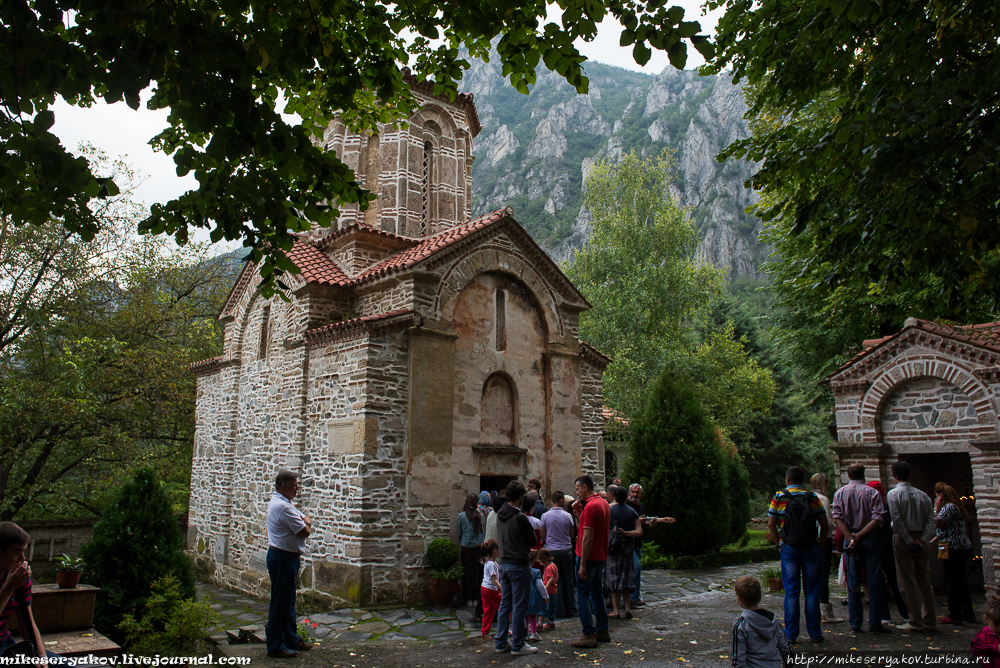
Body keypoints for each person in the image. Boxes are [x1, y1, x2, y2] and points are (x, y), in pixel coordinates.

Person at [768, 465, 827, 643]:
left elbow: (771, 524)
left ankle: (791, 634)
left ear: (787, 480)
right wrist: (820, 545)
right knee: (811, 592)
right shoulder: (812, 497)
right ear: (803, 480)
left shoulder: (779, 497)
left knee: (792, 592)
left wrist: (779, 544)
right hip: (811, 548)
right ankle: (815, 633)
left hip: (789, 549)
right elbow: (824, 524)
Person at [831, 463, 890, 634]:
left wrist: (851, 537)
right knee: (874, 580)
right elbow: (878, 518)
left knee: (853, 582)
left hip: (851, 541)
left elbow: (837, 517)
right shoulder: (872, 493)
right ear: (863, 474)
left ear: (848, 475)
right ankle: (875, 623)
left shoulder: (840, 493)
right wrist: (861, 535)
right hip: (870, 537)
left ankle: (855, 623)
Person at [265, 471, 314, 658]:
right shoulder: (283, 507)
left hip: (286, 557)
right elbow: (304, 531)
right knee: (280, 603)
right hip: (283, 558)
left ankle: (291, 639)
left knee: (288, 601)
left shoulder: (285, 503)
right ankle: (276, 646)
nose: (298, 488)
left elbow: (302, 519)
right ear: (283, 487)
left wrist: (305, 520)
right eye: (294, 485)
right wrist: (306, 522)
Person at [886, 460, 937, 632]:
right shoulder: (923, 495)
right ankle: (930, 620)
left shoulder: (893, 495)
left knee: (907, 581)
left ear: (893, 475)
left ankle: (915, 620)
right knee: (925, 581)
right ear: (910, 474)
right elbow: (931, 519)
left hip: (904, 538)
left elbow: (897, 520)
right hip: (922, 537)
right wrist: (923, 538)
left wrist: (909, 540)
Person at [0, 522, 62, 661]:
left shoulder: (19, 579)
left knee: (63, 665)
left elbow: (27, 622)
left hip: (5, 643)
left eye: (23, 551)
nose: (22, 558)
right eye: (16, 552)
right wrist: (9, 587)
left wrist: (41, 656)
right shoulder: (13, 582)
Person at [494, 481, 540, 656]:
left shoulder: (499, 515)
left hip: (504, 564)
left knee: (505, 604)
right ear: (520, 497)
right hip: (519, 564)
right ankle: (518, 643)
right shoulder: (519, 517)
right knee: (520, 605)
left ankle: (500, 641)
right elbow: (532, 541)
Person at [570, 474, 611, 648]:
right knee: (597, 593)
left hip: (588, 557)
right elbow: (590, 528)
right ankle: (602, 630)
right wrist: (580, 514)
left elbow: (587, 539)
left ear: (585, 487)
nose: (577, 493)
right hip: (600, 555)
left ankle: (588, 633)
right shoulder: (603, 503)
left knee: (583, 595)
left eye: (578, 489)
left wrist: (582, 564)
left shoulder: (591, 507)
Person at [867, 480, 909, 626]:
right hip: (890, 549)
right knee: (896, 583)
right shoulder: (888, 508)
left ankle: (884, 615)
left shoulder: (872, 510)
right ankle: (906, 613)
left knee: (878, 583)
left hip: (876, 550)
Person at [627, 483, 675, 608]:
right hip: (628, 543)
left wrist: (654, 522)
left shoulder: (641, 506)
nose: (634, 495)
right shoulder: (626, 506)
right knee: (636, 567)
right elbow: (628, 523)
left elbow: (645, 522)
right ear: (628, 493)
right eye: (632, 492)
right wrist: (640, 522)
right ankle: (633, 597)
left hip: (637, 543)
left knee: (636, 568)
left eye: (637, 492)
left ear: (641, 494)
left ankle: (633, 596)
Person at [933, 482, 975, 624]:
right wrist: (936, 538)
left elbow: (936, 522)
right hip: (960, 545)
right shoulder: (957, 507)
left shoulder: (948, 508)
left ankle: (954, 613)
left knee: (951, 580)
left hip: (952, 547)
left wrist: (936, 508)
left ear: (941, 496)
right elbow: (952, 527)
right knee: (960, 579)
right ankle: (967, 612)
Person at [731, 575, 792, 668]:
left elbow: (738, 658)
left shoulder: (741, 625)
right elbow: (785, 647)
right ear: (759, 596)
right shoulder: (773, 620)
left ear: (740, 600)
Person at [810, 473, 844, 624]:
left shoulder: (807, 497)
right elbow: (827, 523)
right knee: (823, 575)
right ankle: (825, 611)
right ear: (823, 483)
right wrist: (839, 525)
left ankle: (813, 608)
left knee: (813, 575)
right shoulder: (823, 499)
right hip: (823, 540)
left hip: (809, 540)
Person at [539, 491, 577, 618]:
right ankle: (571, 608)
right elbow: (572, 534)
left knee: (556, 581)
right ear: (562, 501)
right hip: (566, 549)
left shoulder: (545, 516)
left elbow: (543, 535)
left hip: (552, 550)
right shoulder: (568, 516)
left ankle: (559, 610)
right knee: (569, 580)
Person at [606, 486, 642, 620]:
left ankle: (616, 610)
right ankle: (627, 608)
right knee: (627, 578)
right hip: (628, 547)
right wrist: (626, 533)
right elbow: (639, 532)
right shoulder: (632, 511)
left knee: (614, 578)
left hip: (613, 548)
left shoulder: (609, 510)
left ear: (614, 496)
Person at [457, 493, 485, 611]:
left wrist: (464, 540)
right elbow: (483, 531)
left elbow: (459, 533)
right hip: (478, 547)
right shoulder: (480, 516)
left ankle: (468, 598)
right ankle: (477, 598)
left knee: (467, 572)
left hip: (466, 547)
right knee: (478, 573)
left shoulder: (461, 516)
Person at [480, 539, 502, 639]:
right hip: (491, 590)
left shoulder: (488, 562)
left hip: (484, 588)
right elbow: (494, 580)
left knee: (488, 611)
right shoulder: (492, 564)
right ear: (495, 551)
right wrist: (502, 589)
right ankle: (504, 629)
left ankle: (485, 631)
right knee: (504, 607)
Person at [525, 550, 549, 641]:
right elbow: (540, 585)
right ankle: (533, 633)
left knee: (525, 615)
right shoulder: (536, 572)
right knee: (533, 615)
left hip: (523, 595)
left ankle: (525, 633)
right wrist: (545, 596)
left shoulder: (522, 571)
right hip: (533, 596)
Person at [972, 597, 1000, 666]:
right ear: (986, 619)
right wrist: (995, 648)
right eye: (996, 625)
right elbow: (975, 650)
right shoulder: (983, 636)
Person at [539, 549, 559, 630]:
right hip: (553, 590)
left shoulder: (548, 568)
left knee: (544, 607)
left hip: (548, 591)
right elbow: (556, 577)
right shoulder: (554, 566)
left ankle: (540, 624)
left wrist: (545, 588)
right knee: (552, 607)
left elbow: (551, 579)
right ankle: (551, 623)